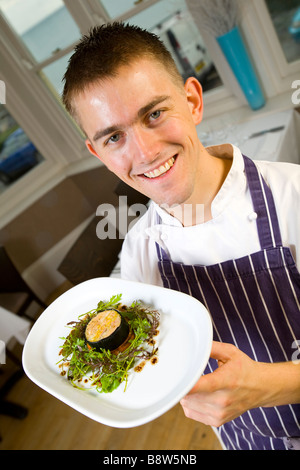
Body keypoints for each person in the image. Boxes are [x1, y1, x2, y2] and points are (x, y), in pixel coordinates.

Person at [62, 22, 300, 450]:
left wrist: (268, 384)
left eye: (154, 114)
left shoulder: (293, 197)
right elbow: (158, 367)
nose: (146, 152)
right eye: (114, 137)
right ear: (98, 153)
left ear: (192, 101)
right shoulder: (139, 254)